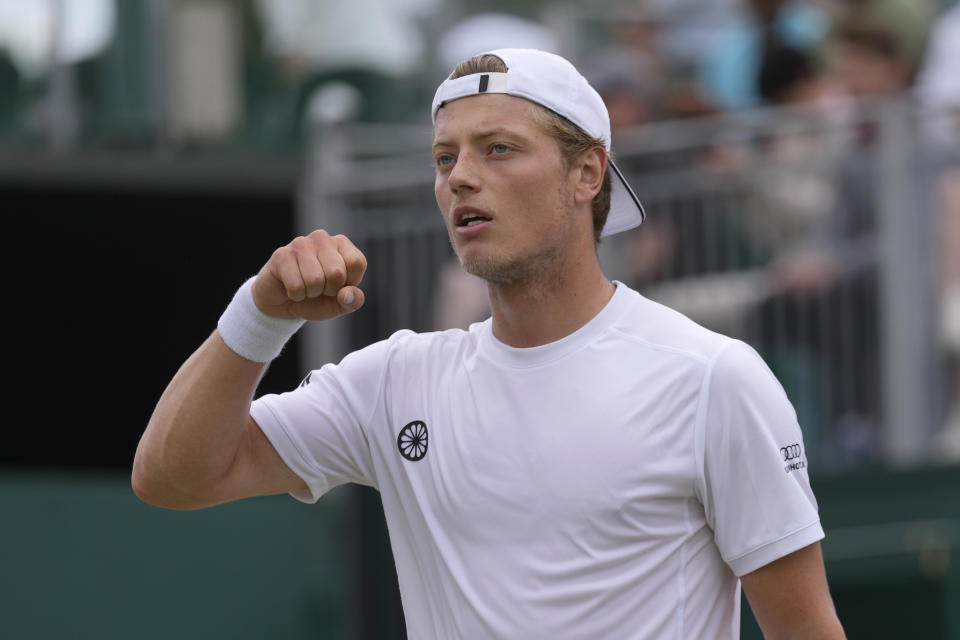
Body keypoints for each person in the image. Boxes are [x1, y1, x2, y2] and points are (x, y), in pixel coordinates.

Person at [133, 49, 845, 639]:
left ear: (587, 173)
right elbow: (175, 476)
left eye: (498, 149)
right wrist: (260, 315)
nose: (461, 177)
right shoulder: (395, 382)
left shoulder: (713, 378)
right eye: (445, 159)